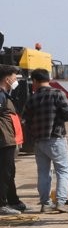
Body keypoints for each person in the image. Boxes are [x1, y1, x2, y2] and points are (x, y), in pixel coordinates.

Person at [22, 69, 68, 212]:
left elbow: (25, 119)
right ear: (48, 79)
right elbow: (67, 114)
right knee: (62, 170)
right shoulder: (57, 94)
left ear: (35, 81)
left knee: (43, 172)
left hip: (38, 141)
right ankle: (61, 202)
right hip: (56, 138)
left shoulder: (32, 98)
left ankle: (45, 203)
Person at [0, 65, 28, 215]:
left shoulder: (6, 94)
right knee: (5, 172)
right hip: (3, 140)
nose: (15, 80)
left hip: (10, 140)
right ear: (6, 79)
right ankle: (2, 203)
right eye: (14, 77)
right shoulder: (0, 95)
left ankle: (13, 201)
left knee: (10, 172)